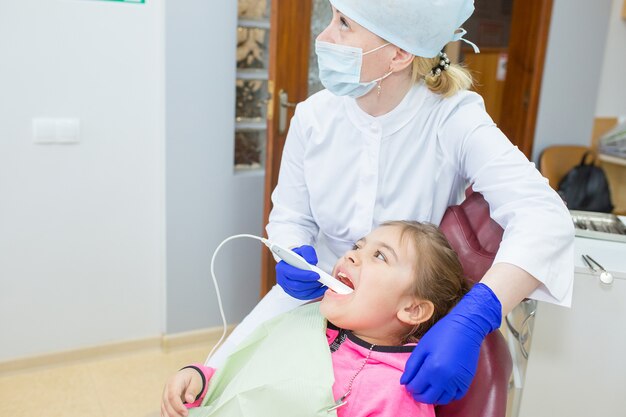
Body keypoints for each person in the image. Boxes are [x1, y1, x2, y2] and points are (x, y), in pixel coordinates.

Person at [210, 0, 575, 406]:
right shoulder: (313, 118)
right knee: (214, 390)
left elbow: (544, 217)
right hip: (322, 299)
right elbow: (291, 217)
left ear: (399, 53)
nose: (324, 37)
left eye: (344, 24)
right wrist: (293, 253)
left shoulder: (453, 119)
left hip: (396, 323)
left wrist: (476, 316)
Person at [162, 221, 470, 417]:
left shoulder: (394, 393)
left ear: (413, 310)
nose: (351, 255)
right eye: (357, 246)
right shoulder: (308, 321)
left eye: (380, 256)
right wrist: (201, 381)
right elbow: (248, 375)